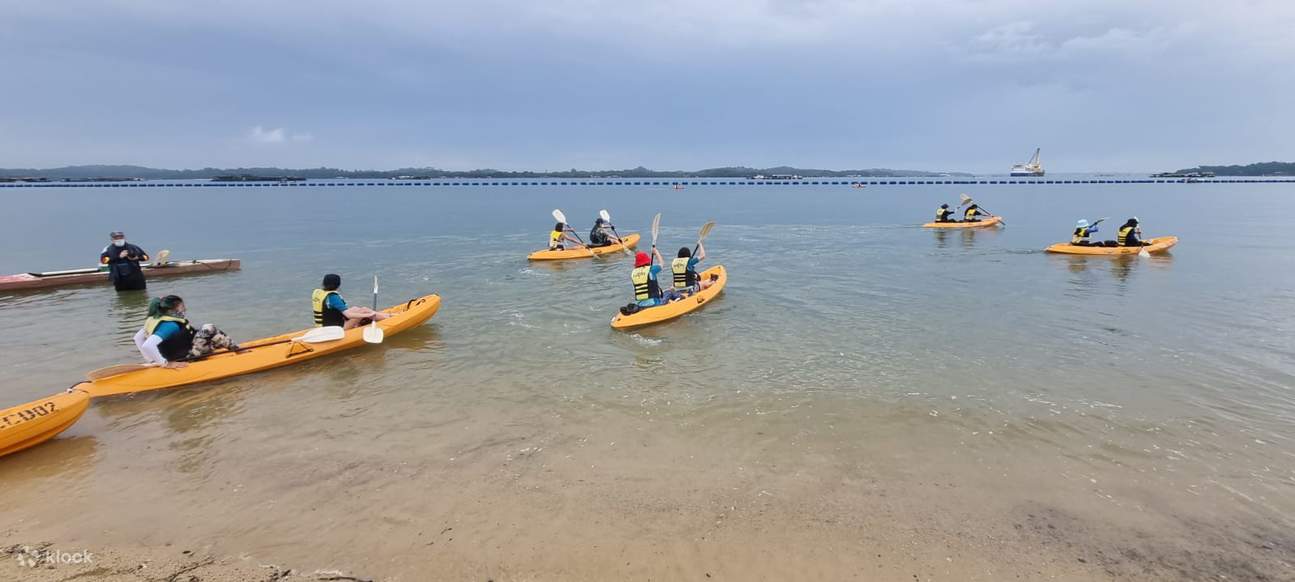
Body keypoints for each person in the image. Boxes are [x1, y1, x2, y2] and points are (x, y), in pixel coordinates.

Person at [133, 295, 239, 368]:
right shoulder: (171, 325)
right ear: (171, 310)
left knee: (212, 337)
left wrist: (152, 361)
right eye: (182, 307)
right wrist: (165, 364)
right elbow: (148, 345)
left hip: (177, 355)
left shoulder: (155, 320)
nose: (185, 309)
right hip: (186, 358)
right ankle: (239, 352)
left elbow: (137, 338)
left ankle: (232, 349)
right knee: (209, 328)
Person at [312, 273, 390, 330]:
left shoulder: (318, 292)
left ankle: (388, 315)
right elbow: (348, 315)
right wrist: (368, 315)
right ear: (338, 285)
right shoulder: (333, 297)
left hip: (323, 326)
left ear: (323, 283)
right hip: (337, 329)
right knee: (364, 311)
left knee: (355, 308)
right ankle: (389, 319)